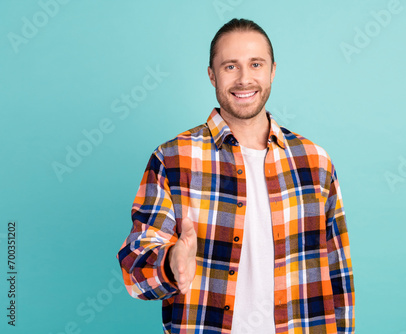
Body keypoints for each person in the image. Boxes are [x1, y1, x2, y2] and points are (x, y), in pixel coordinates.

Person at [117, 18, 355, 333]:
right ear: (212, 75)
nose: (244, 79)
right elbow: (135, 272)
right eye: (231, 66)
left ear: (272, 71)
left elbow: (338, 275)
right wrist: (170, 263)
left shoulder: (315, 162)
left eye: (255, 64)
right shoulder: (173, 159)